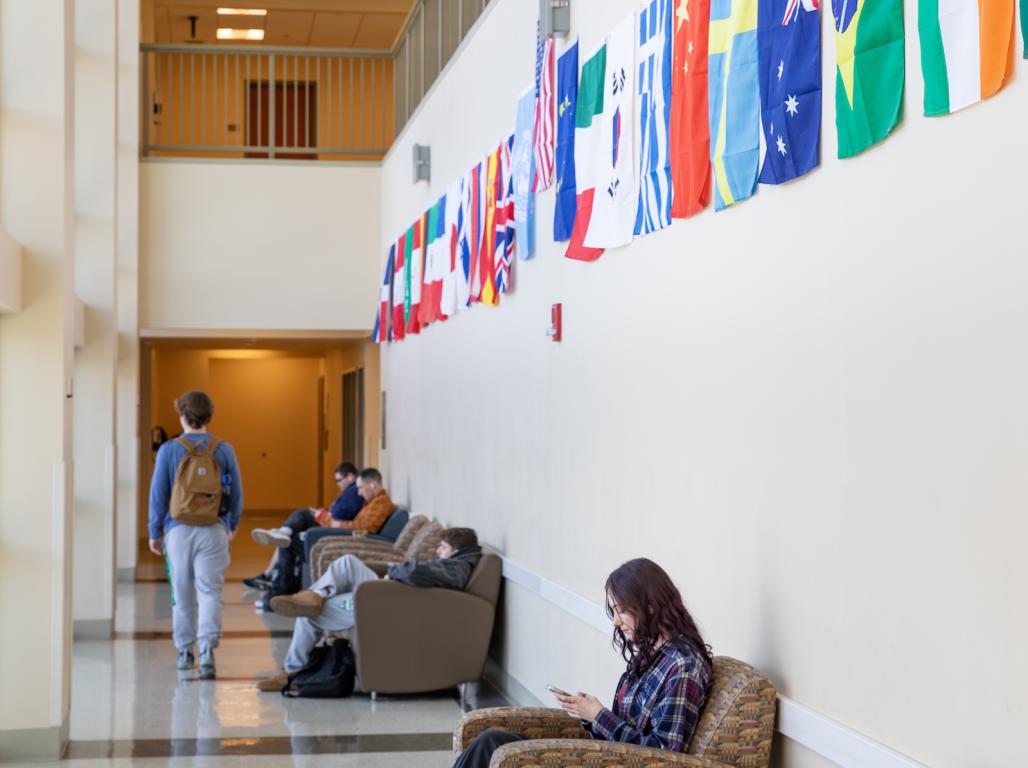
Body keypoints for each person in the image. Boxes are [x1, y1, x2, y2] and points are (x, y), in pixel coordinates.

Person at [453, 558, 713, 767]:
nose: (615, 622)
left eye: (621, 610)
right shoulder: (652, 655)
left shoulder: (682, 667)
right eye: (614, 611)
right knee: (493, 741)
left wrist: (599, 715)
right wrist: (588, 714)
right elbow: (626, 731)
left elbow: (663, 755)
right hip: (603, 756)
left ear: (651, 607)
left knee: (493, 747)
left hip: (610, 761)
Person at [256, 527, 480, 691]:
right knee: (347, 563)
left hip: (386, 604)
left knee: (309, 615)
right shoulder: (458, 562)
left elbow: (415, 573)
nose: (438, 552)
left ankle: (290, 672)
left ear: (456, 550)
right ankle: (315, 595)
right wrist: (395, 572)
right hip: (391, 595)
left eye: (443, 547)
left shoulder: (456, 567)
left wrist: (394, 572)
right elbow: (421, 572)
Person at [148, 390, 243, 680]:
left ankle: (184, 651)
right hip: (213, 530)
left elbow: (158, 494)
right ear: (209, 416)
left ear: (182, 415)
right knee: (210, 591)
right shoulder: (224, 449)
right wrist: (231, 525)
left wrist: (155, 530)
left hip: (177, 530)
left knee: (182, 592)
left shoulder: (169, 450)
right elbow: (236, 493)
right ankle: (207, 651)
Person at [243, 461, 363, 592]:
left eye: (339, 480)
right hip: (330, 524)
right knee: (288, 536)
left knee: (303, 514)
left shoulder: (354, 490)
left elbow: (339, 514)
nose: (338, 485)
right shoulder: (353, 491)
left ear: (350, 476)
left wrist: (322, 514)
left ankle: (273, 570)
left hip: (330, 528)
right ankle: (269, 573)